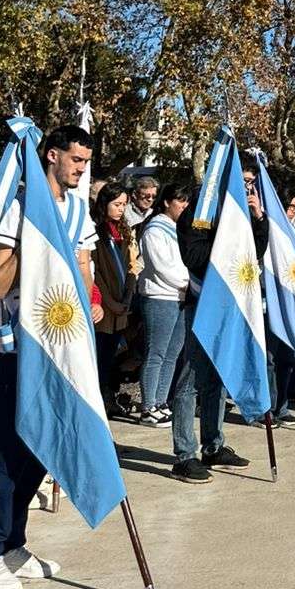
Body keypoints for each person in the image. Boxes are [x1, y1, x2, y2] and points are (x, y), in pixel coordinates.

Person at [0, 123, 102, 589]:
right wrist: (33, 242)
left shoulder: (78, 210)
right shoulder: (20, 206)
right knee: (3, 452)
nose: (81, 169)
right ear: (51, 156)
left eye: (86, 162)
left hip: (64, 349)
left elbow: (84, 271)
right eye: (76, 160)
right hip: (18, 351)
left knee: (44, 449)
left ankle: (12, 543)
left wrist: (88, 306)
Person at [173, 174, 269, 483]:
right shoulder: (199, 213)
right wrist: (227, 237)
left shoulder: (241, 214)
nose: (248, 187)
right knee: (191, 379)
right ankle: (184, 455)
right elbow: (194, 256)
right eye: (243, 180)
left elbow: (255, 251)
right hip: (203, 305)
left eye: (251, 182)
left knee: (218, 378)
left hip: (231, 306)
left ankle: (213, 446)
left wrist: (258, 219)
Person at [136, 181, 191, 423]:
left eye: (187, 201)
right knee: (156, 353)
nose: (184, 206)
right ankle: (148, 406)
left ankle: (161, 401)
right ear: (167, 202)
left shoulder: (179, 228)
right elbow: (162, 267)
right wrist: (188, 283)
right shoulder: (155, 230)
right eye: (180, 200)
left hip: (180, 297)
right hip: (161, 297)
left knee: (172, 353)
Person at [91, 181, 139, 414]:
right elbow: (95, 272)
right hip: (103, 307)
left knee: (111, 358)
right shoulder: (94, 230)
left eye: (124, 204)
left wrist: (127, 297)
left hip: (121, 304)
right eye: (116, 204)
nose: (121, 209)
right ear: (105, 203)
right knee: (98, 359)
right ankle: (98, 401)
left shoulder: (124, 231)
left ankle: (109, 397)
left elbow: (132, 265)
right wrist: (110, 303)